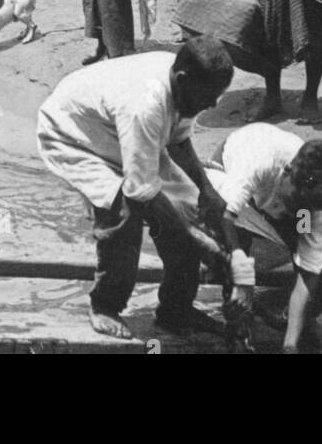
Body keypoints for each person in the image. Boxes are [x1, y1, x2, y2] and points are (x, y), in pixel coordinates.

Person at [35, 38, 236, 341]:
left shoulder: (184, 86)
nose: (212, 104)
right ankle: (104, 305)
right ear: (182, 80)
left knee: (188, 208)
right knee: (122, 212)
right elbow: (139, 192)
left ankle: (175, 309)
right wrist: (195, 239)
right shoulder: (145, 104)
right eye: (209, 96)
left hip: (117, 131)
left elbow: (178, 141)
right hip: (73, 136)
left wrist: (206, 190)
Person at [202, 124, 322, 354]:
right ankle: (239, 320)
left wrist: (290, 345)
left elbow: (307, 273)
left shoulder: (309, 207)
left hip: (269, 203)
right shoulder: (258, 162)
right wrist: (242, 273)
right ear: (288, 171)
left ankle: (299, 320)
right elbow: (227, 215)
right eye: (296, 202)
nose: (298, 211)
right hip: (231, 183)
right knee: (228, 240)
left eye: (305, 208)